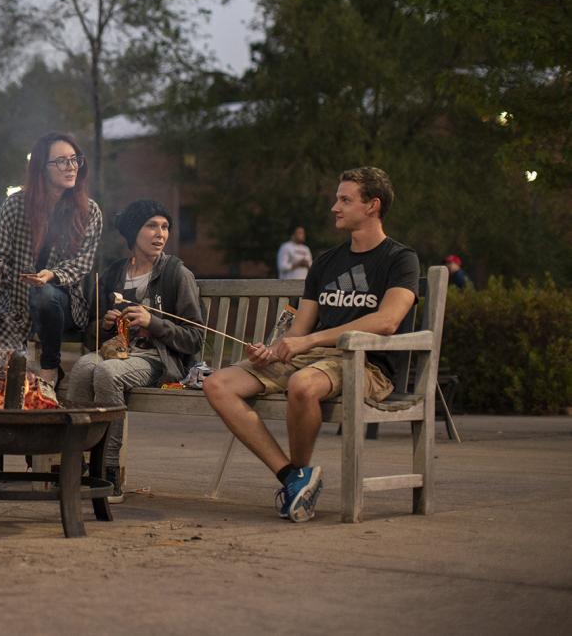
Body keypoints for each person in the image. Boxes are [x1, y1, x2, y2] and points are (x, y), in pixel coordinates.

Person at [204, 167, 419, 523]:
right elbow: (298, 331)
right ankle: (293, 478)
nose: (335, 206)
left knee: (303, 386)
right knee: (217, 384)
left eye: (345, 199)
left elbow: (387, 321)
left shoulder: (400, 258)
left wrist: (311, 339)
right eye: (337, 198)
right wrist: (272, 351)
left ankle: (299, 481)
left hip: (366, 363)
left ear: (372, 206)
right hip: (315, 358)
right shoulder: (325, 262)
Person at [64, 200, 204, 501]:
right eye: (151, 226)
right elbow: (91, 335)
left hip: (159, 359)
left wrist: (153, 322)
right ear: (133, 232)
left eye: (165, 226)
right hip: (119, 353)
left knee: (106, 372)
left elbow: (195, 338)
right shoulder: (114, 274)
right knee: (82, 368)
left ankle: (108, 469)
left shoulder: (176, 273)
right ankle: (75, 463)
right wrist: (104, 324)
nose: (160, 234)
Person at [0, 131, 103, 387]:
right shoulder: (15, 205)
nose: (71, 166)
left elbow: (82, 262)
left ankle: (50, 367)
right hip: (16, 298)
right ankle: (3, 380)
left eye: (75, 159)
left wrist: (52, 275)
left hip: (60, 303)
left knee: (45, 294)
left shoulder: (89, 211)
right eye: (61, 161)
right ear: (41, 168)